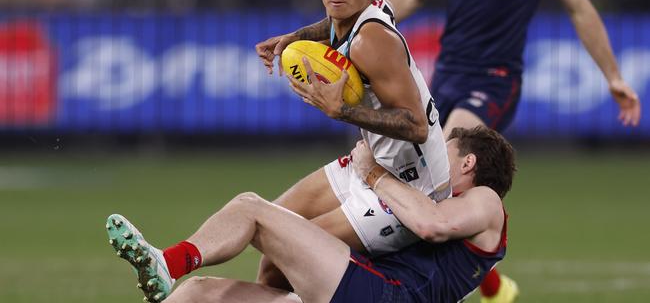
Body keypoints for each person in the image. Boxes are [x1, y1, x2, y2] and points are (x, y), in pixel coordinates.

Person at [260, 0, 642, 302]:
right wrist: (324, 33)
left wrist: (614, 76)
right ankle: (485, 283)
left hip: (496, 80)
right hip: (449, 74)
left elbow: (581, 9)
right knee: (428, 173)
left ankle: (430, 279)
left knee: (440, 164)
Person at [106, 126, 516, 303]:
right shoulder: (434, 198)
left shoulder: (486, 201)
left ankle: (169, 261)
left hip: (381, 294)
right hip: (359, 289)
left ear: (469, 164)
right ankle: (172, 270)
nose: (437, 156)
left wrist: (372, 173)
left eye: (447, 148)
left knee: (253, 209)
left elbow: (431, 225)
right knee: (198, 295)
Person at [253, 0, 451, 289]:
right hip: (373, 167)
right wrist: (294, 38)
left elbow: (416, 126)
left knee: (286, 253)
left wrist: (341, 111)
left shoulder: (372, 39)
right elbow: (332, 24)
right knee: (270, 235)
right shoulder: (360, 17)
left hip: (411, 192)